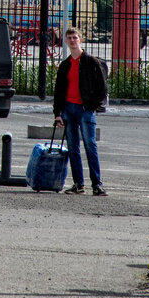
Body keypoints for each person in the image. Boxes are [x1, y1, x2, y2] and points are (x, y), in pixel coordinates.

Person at [52, 26, 108, 196]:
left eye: (75, 37)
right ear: (66, 41)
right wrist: (57, 114)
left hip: (85, 110)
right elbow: (58, 90)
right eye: (69, 38)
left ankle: (97, 184)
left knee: (90, 145)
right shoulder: (65, 65)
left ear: (81, 40)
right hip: (69, 109)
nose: (72, 40)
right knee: (73, 147)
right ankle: (78, 184)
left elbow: (102, 88)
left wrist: (91, 106)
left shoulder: (92, 62)